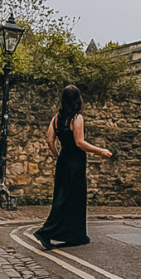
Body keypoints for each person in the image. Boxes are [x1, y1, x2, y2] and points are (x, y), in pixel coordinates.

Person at [34, 85, 112, 250]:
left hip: (64, 161)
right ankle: (46, 232)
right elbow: (79, 142)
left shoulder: (56, 118)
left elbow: (49, 140)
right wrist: (100, 151)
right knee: (74, 198)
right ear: (78, 99)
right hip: (75, 162)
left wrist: (58, 157)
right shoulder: (77, 118)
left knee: (62, 197)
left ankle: (74, 236)